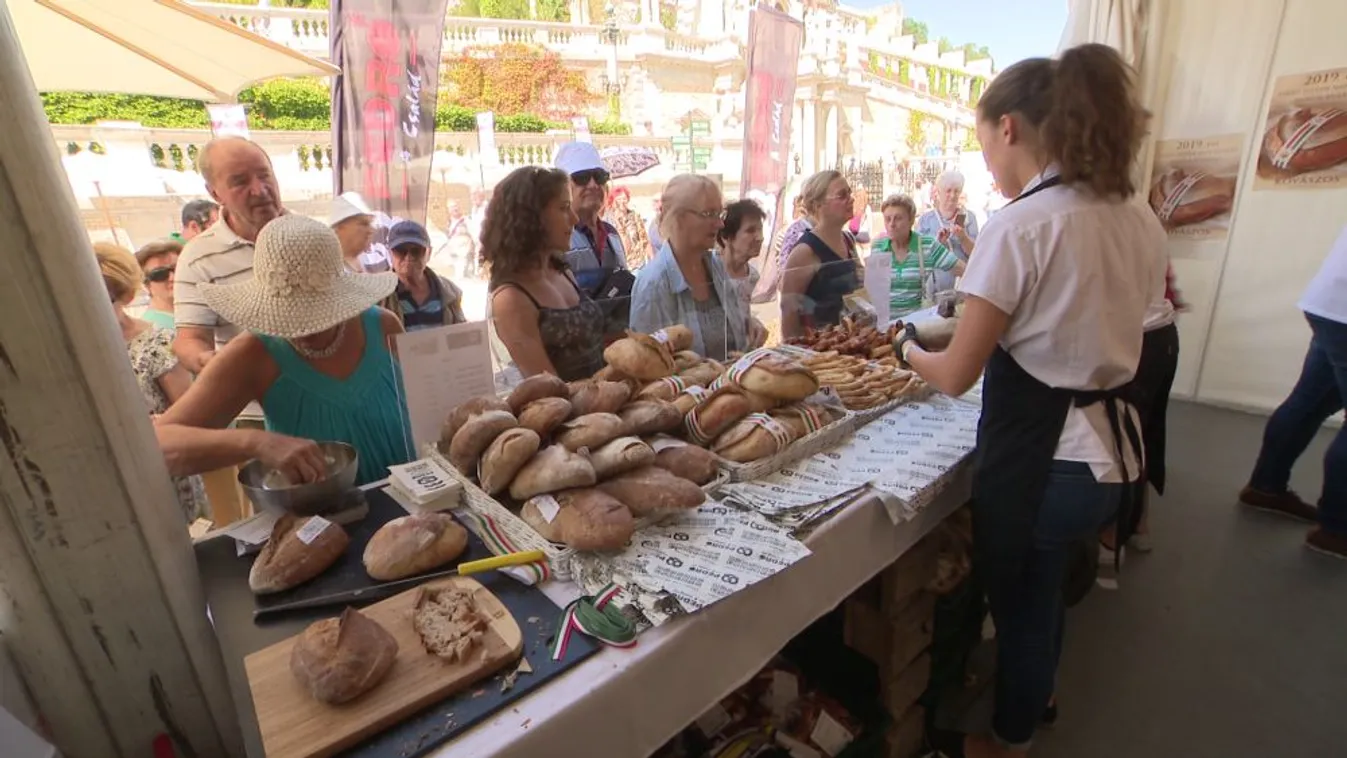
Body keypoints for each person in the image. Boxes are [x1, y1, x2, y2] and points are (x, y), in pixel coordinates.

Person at [895, 44, 1163, 757]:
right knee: (1048, 588)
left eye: (983, 141)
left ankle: (1007, 738)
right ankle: (1036, 693)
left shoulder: (1019, 223)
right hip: (1110, 451)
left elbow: (953, 373)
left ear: (1008, 128)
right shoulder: (1130, 211)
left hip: (1050, 457)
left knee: (1019, 605)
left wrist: (903, 351)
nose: (984, 160)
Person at [159, 215, 413, 486]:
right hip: (322, 519)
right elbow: (161, 445)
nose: (305, 328)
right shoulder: (252, 354)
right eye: (292, 316)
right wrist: (255, 442)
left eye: (319, 312)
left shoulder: (384, 326)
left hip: (416, 500)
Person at [1240, 224, 1347, 559]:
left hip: (1329, 303)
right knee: (1309, 401)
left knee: (1309, 400)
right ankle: (1337, 530)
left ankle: (1265, 487)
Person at [96, 242, 205, 521]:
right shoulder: (79, 352)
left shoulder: (155, 342)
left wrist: (158, 424)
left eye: (100, 298)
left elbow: (192, 414)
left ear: (126, 296)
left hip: (164, 475)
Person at [173, 137, 284, 374]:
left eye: (265, 175)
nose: (259, 189)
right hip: (256, 405)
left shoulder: (313, 235)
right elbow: (189, 339)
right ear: (215, 193)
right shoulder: (197, 258)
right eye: (240, 182)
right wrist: (206, 361)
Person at [484, 166, 605, 382]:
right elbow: (552, 392)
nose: (574, 218)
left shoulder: (561, 270)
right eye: (564, 208)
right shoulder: (510, 298)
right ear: (532, 218)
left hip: (608, 403)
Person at [631, 176, 750, 360]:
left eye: (720, 214)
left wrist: (749, 326)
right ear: (677, 218)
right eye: (709, 214)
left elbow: (733, 333)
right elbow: (648, 365)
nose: (720, 224)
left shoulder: (716, 266)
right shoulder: (653, 284)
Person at [780, 171, 860, 339]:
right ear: (818, 205)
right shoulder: (805, 251)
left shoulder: (848, 240)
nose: (851, 199)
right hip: (820, 351)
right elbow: (789, 312)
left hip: (850, 343)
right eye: (842, 195)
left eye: (849, 193)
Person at [874, 194, 964, 319]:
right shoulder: (878, 248)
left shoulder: (927, 246)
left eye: (898, 218)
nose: (891, 224)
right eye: (887, 219)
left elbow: (964, 271)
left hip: (914, 325)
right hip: (882, 326)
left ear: (911, 220)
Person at [554, 141, 628, 292]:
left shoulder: (612, 234)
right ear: (563, 186)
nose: (593, 185)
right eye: (582, 177)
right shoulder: (555, 237)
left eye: (600, 177)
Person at [386, 220, 467, 331]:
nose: (409, 257)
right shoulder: (380, 297)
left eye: (416, 251)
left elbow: (461, 333)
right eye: (401, 250)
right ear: (390, 254)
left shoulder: (450, 291)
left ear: (429, 253)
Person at [716, 198, 769, 351]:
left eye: (760, 229)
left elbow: (741, 312)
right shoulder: (708, 271)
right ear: (726, 237)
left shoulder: (751, 275)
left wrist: (752, 323)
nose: (760, 237)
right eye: (750, 230)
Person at [917, 170, 979, 292]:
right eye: (948, 190)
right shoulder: (926, 220)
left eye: (956, 191)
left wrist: (963, 237)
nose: (952, 195)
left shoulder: (968, 217)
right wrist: (938, 243)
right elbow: (919, 256)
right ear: (939, 192)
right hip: (935, 287)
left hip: (963, 286)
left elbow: (976, 254)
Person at [135, 239, 183, 330]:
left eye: (178, 269)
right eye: (160, 274)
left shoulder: (194, 315)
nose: (172, 277)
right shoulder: (151, 329)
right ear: (146, 285)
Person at [605, 186, 653, 271]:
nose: (622, 202)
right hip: (619, 267)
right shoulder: (608, 220)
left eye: (624, 198)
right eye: (619, 199)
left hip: (638, 264)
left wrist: (652, 261)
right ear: (613, 201)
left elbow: (644, 240)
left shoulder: (634, 216)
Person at [330, 191, 376, 274]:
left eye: (369, 224)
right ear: (341, 228)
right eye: (363, 224)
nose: (370, 230)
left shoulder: (363, 261)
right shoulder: (327, 268)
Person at [445, 199, 477, 279]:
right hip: (454, 251)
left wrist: (474, 247)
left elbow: (474, 234)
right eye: (452, 207)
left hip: (464, 251)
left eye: (456, 206)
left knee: (462, 274)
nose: (455, 209)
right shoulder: (449, 222)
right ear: (449, 210)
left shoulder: (466, 220)